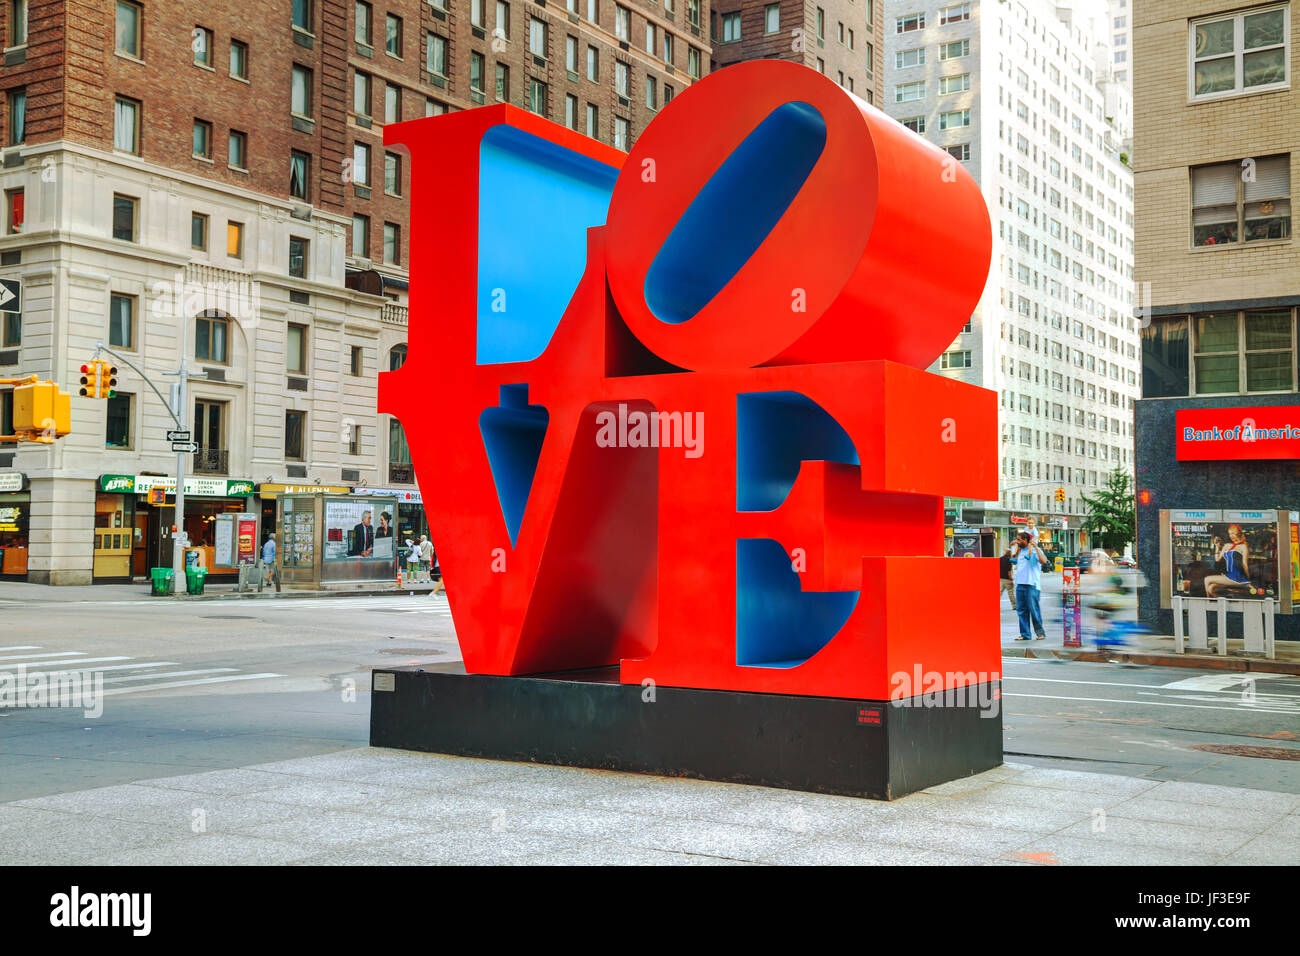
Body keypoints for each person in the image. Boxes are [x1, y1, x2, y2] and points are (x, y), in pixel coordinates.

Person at [1011, 530, 1049, 641]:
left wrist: (1036, 548)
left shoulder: (1033, 551)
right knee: (1021, 610)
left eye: (1019, 539)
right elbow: (1014, 562)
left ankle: (1040, 633)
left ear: (1025, 540)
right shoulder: (1021, 551)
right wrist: (1014, 549)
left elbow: (1044, 561)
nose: (1017, 541)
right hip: (1020, 584)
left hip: (1032, 585)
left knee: (1034, 610)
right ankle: (1025, 634)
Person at [1203, 524, 1251, 597]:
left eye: (1232, 533)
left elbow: (1245, 564)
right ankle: (1221, 604)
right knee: (1211, 588)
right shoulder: (1227, 545)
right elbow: (1217, 559)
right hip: (1229, 576)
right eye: (1229, 534)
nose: (1231, 535)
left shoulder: (1243, 547)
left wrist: (1248, 579)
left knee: (1207, 579)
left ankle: (1208, 602)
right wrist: (1217, 547)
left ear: (1238, 533)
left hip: (1237, 577)